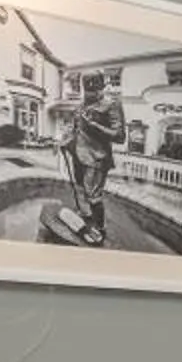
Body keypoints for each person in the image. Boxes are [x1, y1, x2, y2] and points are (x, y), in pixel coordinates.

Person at [64, 77, 124, 247]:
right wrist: (66, 140)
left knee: (93, 197)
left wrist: (94, 125)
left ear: (101, 88)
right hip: (78, 154)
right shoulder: (81, 105)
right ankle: (86, 215)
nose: (90, 94)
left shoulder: (112, 104)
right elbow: (75, 128)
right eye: (87, 90)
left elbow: (119, 136)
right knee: (80, 188)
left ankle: (100, 227)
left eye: (94, 90)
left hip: (97, 157)